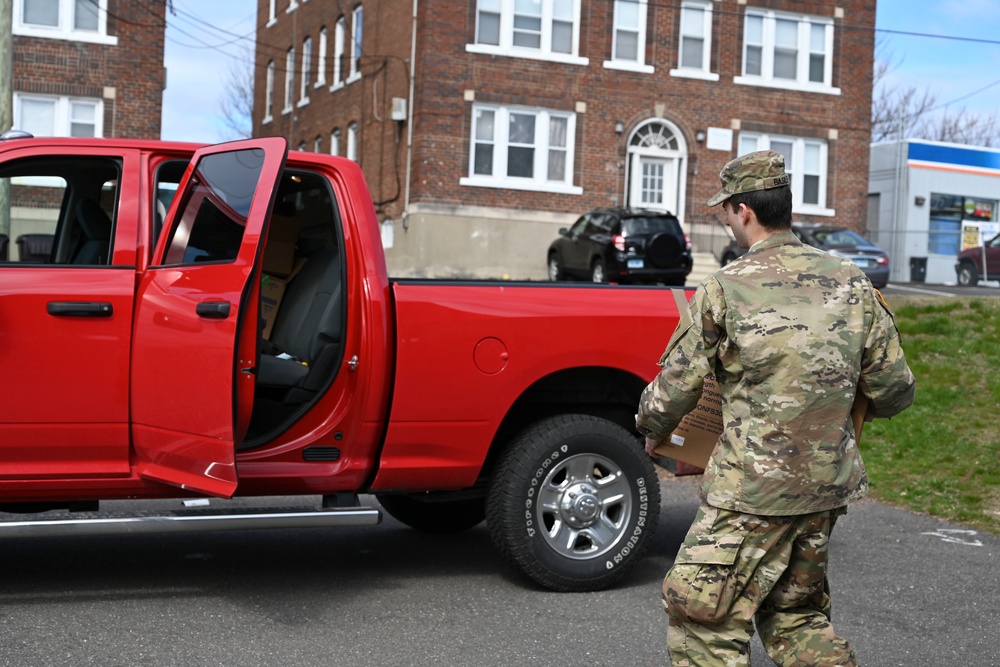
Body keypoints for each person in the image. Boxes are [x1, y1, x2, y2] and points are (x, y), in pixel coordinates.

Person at [635, 150, 915, 667]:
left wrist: (652, 429)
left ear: (743, 210)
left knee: (702, 622)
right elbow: (896, 389)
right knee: (797, 616)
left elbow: (675, 387)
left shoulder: (725, 287)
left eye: (725, 210)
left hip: (751, 493)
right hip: (825, 488)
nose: (725, 220)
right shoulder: (854, 282)